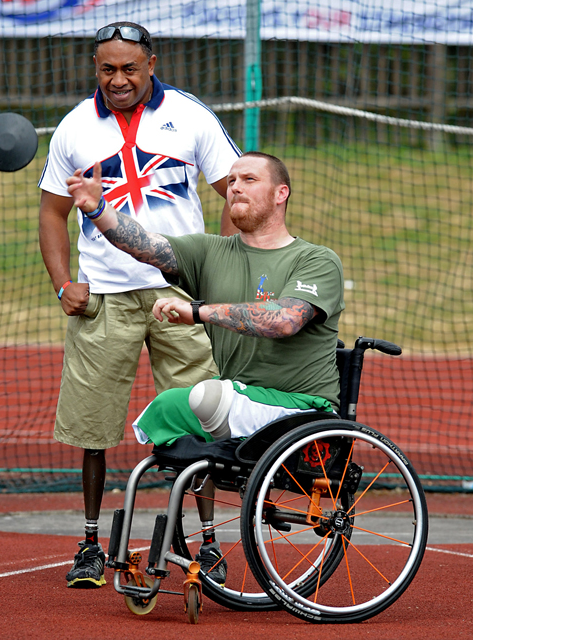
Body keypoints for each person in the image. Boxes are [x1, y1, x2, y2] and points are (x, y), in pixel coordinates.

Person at [66, 151, 346, 584]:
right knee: (166, 407)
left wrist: (198, 311)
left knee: (207, 395)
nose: (234, 186)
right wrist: (97, 208)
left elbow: (286, 320)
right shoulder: (211, 251)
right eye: (231, 179)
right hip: (242, 405)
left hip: (299, 411)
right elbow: (145, 244)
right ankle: (144, 559)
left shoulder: (315, 260)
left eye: (249, 179)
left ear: (280, 194)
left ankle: (207, 540)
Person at [37, 21, 242, 589]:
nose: (118, 79)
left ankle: (206, 542)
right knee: (93, 427)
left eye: (130, 67)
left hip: (180, 293)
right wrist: (62, 284)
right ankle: (89, 544)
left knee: (202, 414)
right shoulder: (75, 127)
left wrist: (217, 270)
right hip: (102, 296)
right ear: (95, 67)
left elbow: (237, 189)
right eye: (107, 68)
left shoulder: (190, 115)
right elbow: (53, 212)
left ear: (152, 62)